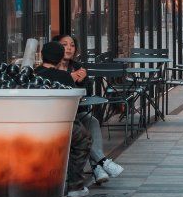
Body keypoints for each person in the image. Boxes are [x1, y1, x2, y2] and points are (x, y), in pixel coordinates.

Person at [37, 33, 123, 186]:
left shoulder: (77, 66)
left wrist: (83, 81)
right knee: (82, 131)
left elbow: (87, 94)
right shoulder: (50, 70)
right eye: (64, 45)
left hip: (77, 111)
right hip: (60, 117)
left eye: (72, 45)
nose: (69, 48)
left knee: (93, 121)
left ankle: (97, 166)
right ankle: (101, 163)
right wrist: (70, 78)